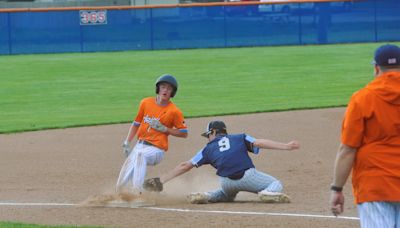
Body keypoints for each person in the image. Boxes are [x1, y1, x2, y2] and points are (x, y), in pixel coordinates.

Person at [144, 120, 300, 204]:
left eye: (208, 135)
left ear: (213, 132)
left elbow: (186, 166)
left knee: (226, 195)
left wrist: (161, 180)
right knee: (276, 183)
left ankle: (207, 195)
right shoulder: (240, 137)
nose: (208, 138)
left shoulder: (207, 149)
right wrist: (286, 146)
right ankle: (268, 193)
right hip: (248, 177)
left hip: (226, 183)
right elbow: (258, 143)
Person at [330, 44, 400, 227]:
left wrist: (337, 188)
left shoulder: (363, 98)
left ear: (376, 68)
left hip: (375, 184)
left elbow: (347, 149)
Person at [116, 74, 188, 195]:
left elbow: (184, 133)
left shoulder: (174, 111)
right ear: (158, 88)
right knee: (120, 186)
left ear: (172, 93)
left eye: (169, 88)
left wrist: (166, 129)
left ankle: (137, 192)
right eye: (163, 87)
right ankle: (123, 196)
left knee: (140, 155)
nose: (165, 90)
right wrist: (127, 142)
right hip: (139, 146)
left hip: (156, 149)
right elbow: (136, 123)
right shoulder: (145, 102)